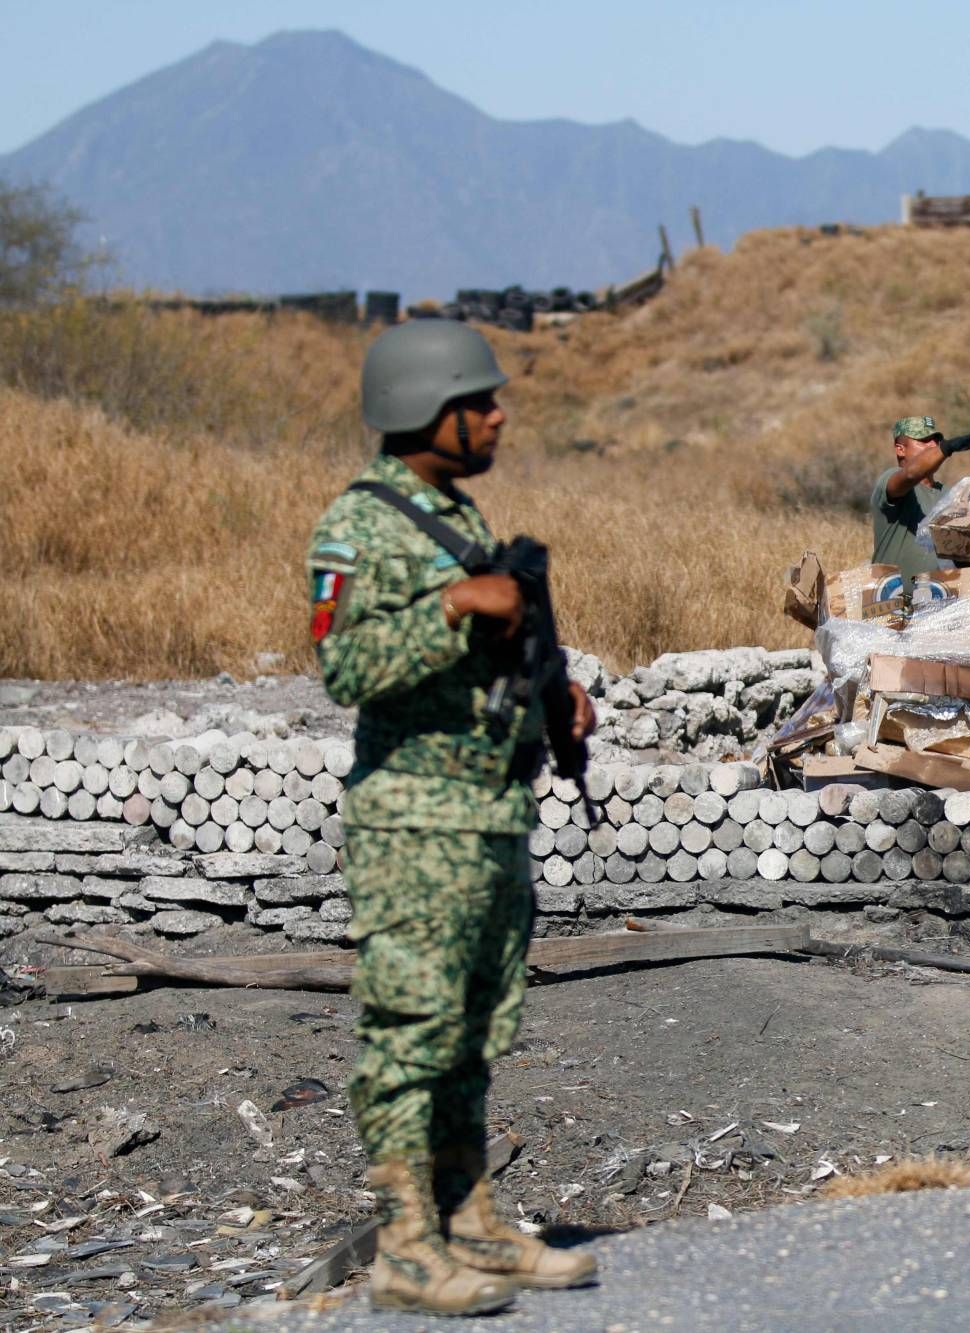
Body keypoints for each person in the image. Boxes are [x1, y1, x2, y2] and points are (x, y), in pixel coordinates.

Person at [306, 320, 598, 1316]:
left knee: (476, 1026)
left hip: (485, 813)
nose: (498, 416)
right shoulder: (358, 527)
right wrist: (452, 607)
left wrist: (556, 694)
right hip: (413, 825)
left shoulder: (458, 514)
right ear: (424, 408)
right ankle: (404, 1246)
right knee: (412, 1028)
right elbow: (344, 667)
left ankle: (468, 1221)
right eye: (480, 401)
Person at [870, 415, 970, 578]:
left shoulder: (953, 495)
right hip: (895, 593)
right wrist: (947, 448)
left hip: (942, 592)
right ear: (900, 449)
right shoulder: (890, 480)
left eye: (936, 440)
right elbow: (911, 474)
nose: (934, 445)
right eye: (924, 440)